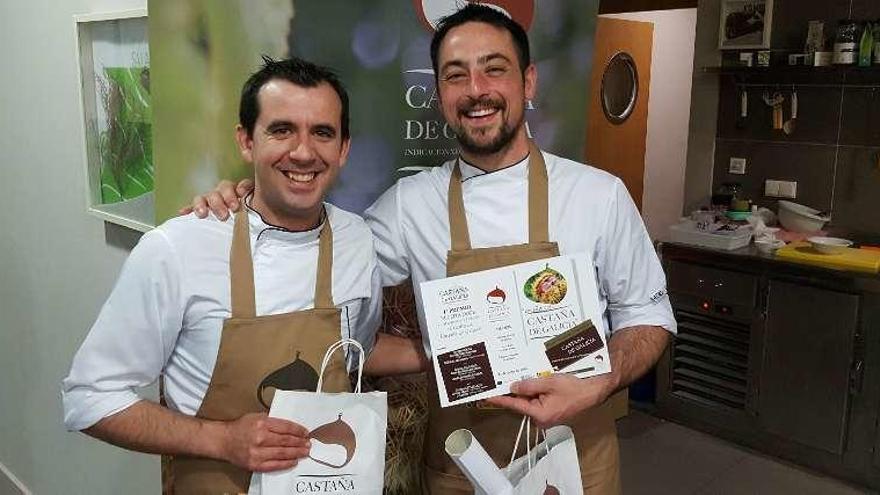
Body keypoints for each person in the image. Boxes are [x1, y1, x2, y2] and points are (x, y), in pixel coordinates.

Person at [190, 5, 677, 493]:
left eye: (494, 69)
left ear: (527, 82)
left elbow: (649, 319)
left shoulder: (599, 195)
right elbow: (316, 270)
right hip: (460, 466)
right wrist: (250, 200)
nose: (476, 90)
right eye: (455, 75)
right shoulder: (408, 206)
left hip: (577, 459)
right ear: (439, 94)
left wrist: (597, 383)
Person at [62, 56, 424, 494]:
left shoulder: (357, 241)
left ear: (344, 148)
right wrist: (221, 439)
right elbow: (88, 397)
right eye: (281, 129)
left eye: (322, 133)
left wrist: (468, 350)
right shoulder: (176, 249)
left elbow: (356, 354)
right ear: (246, 142)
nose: (304, 151)